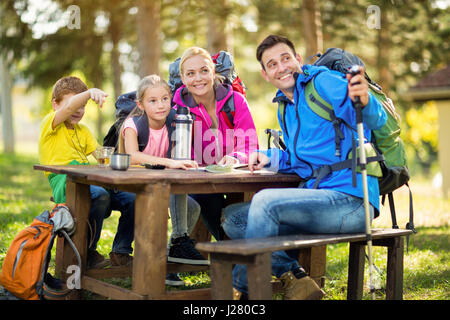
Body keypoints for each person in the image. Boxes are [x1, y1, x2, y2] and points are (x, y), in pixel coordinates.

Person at [222, 35, 387, 300]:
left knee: (264, 203)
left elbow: (374, 119)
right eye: (272, 64)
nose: (281, 67)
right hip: (317, 200)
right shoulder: (285, 107)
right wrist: (266, 156)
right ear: (266, 74)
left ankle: (241, 292)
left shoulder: (323, 82)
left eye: (285, 58)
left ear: (298, 59)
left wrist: (365, 100)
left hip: (352, 201)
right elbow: (300, 162)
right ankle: (296, 277)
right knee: (234, 217)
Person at [38, 76, 136, 269]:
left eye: (83, 106)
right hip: (65, 182)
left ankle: (121, 250)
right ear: (55, 104)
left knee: (133, 198)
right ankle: (88, 251)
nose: (78, 110)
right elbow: (67, 109)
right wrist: (89, 94)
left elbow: (102, 156)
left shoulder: (83, 131)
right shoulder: (51, 124)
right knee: (99, 195)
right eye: (75, 104)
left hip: (89, 181)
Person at [120, 74, 209, 285]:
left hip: (160, 184)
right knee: (170, 198)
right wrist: (169, 162)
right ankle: (174, 246)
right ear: (140, 104)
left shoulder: (175, 121)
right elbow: (132, 155)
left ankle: (172, 257)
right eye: (152, 101)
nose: (160, 105)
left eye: (164, 99)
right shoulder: (133, 124)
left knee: (192, 206)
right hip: (132, 186)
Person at [172, 46, 259, 240]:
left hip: (234, 176)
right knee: (203, 196)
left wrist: (234, 158)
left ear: (213, 71)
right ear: (183, 79)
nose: (198, 78)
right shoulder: (177, 108)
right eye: (191, 73)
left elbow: (250, 143)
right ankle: (233, 251)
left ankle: (237, 252)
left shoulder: (236, 101)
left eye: (204, 70)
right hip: (197, 181)